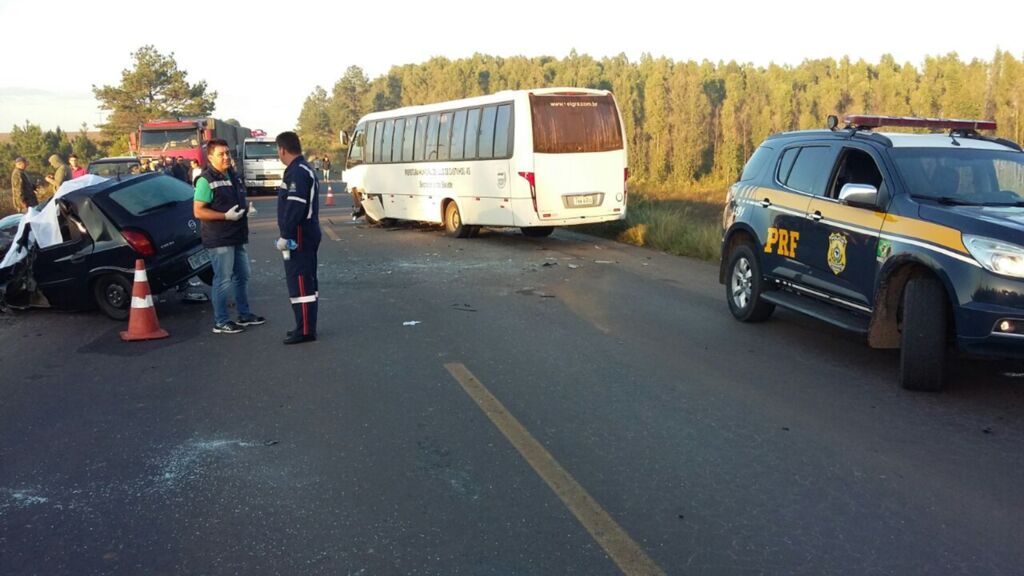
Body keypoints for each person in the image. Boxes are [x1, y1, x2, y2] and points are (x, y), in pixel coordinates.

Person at [193, 138, 265, 334]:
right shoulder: (206, 180)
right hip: (219, 238)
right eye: (221, 154)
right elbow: (198, 211)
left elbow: (234, 199)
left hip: (237, 234)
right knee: (223, 279)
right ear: (210, 157)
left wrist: (247, 208)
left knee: (243, 275)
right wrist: (224, 216)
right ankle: (221, 321)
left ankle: (244, 315)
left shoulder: (234, 175)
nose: (226, 157)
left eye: (227, 153)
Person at [275, 131, 321, 344]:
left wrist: (285, 235)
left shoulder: (297, 172)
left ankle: (305, 330)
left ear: (282, 149)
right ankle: (304, 325)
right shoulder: (302, 169)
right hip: (306, 232)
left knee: (300, 281)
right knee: (305, 280)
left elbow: (295, 206)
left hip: (300, 234)